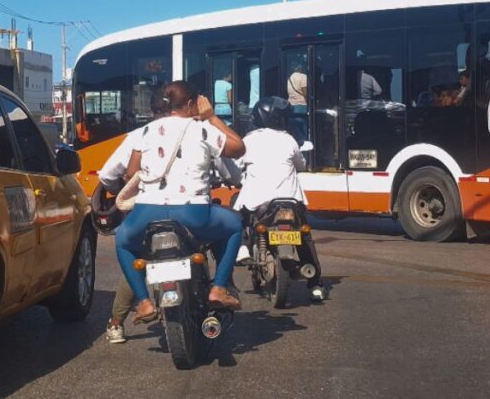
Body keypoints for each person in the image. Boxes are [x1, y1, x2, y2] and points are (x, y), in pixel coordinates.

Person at [114, 81, 246, 322]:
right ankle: (218, 288)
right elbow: (239, 148)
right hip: (193, 214)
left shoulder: (145, 131)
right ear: (190, 103)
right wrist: (212, 117)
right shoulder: (202, 129)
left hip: (146, 214)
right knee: (235, 225)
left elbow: (132, 171)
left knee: (122, 241)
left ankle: (144, 302)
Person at [98, 89, 170, 344]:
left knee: (135, 257)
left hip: (145, 210)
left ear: (152, 111)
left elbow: (107, 175)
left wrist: (124, 194)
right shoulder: (197, 130)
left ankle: (117, 323)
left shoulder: (139, 136)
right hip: (189, 212)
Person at [234, 96, 324, 301]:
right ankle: (315, 285)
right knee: (305, 238)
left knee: (238, 214)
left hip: (259, 204)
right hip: (291, 202)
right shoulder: (289, 140)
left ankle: (242, 249)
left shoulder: (249, 140)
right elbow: (301, 165)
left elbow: (236, 167)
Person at [287, 63, 309, 141]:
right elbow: (305, 92)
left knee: (295, 131)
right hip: (302, 105)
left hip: (291, 106)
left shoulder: (289, 78)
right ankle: (305, 150)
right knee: (303, 131)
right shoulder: (303, 77)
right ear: (300, 68)